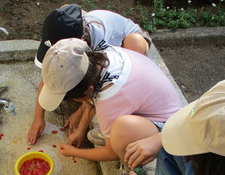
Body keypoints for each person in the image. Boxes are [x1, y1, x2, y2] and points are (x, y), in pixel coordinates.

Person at [38, 38, 182, 175]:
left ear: (87, 90)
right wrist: (80, 130)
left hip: (167, 128)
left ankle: (134, 172)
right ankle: (115, 134)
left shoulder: (110, 100)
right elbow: (92, 101)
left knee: (121, 132)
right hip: (151, 106)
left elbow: (111, 153)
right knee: (118, 127)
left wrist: (74, 152)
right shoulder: (99, 58)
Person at [27, 3, 152, 145]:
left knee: (135, 41)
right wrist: (38, 118)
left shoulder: (99, 48)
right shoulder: (60, 41)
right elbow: (49, 77)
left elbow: (94, 88)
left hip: (125, 42)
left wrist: (80, 116)